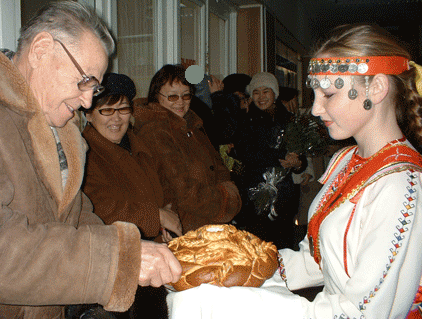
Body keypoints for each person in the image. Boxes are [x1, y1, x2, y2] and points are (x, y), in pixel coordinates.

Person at [167, 23, 422, 319]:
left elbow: (361, 312)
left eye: (328, 95)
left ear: (376, 88)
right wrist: (240, 264)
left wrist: (234, 303)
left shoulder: (402, 184)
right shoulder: (346, 159)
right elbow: (317, 261)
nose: (315, 109)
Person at [0, 0, 181, 318]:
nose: (87, 102)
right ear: (41, 50)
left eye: (93, 88)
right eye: (84, 81)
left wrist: (132, 252)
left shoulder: (57, 128)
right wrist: (119, 259)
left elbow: (75, 214)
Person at [81, 72, 182, 318]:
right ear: (88, 114)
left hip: (156, 264)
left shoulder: (137, 145)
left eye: (123, 109)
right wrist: (157, 216)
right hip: (121, 271)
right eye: (107, 110)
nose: (116, 118)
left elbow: (164, 186)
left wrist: (168, 211)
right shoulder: (85, 155)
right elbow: (100, 209)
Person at [133, 64, 242, 234]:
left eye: (186, 96)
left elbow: (218, 165)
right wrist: (227, 200)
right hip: (184, 228)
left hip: (206, 224)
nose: (180, 102)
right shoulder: (155, 131)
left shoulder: (192, 124)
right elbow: (184, 192)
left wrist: (226, 187)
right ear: (156, 96)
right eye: (172, 97)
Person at [230, 72, 307, 249]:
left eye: (266, 91)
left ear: (275, 93)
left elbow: (300, 158)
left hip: (284, 196)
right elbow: (246, 153)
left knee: (285, 247)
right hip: (255, 195)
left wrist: (298, 163)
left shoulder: (289, 120)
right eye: (256, 92)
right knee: (258, 247)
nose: (261, 97)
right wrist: (280, 158)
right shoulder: (246, 120)